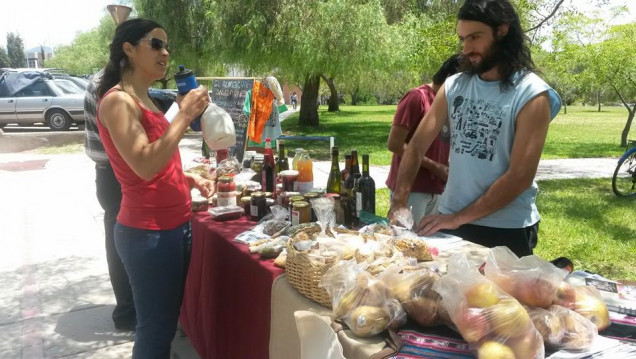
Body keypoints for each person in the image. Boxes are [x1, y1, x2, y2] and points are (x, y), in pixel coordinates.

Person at [389, 0, 561, 257]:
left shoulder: (533, 95)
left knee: (499, 298)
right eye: (463, 39)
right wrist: (400, 202)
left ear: (502, 31)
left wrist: (458, 218)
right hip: (450, 221)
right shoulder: (454, 85)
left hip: (506, 228)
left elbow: (519, 177)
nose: (467, 48)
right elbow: (415, 146)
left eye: (475, 37)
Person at [95, 18, 212, 358]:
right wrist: (184, 116)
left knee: (166, 323)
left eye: (166, 45)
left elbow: (152, 160)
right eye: (156, 44)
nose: (166, 52)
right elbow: (144, 165)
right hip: (148, 234)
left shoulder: (143, 97)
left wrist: (184, 178)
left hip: (175, 226)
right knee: (155, 331)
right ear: (128, 49)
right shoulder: (118, 101)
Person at [84, 69, 138, 332]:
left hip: (110, 173)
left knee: (118, 239)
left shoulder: (112, 82)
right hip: (115, 174)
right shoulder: (109, 87)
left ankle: (131, 308)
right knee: (121, 242)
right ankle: (128, 311)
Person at [386, 55, 460, 224]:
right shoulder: (417, 97)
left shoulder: (451, 104)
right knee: (407, 244)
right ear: (450, 78)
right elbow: (394, 144)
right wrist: (435, 167)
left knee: (430, 245)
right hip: (412, 191)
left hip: (438, 189)